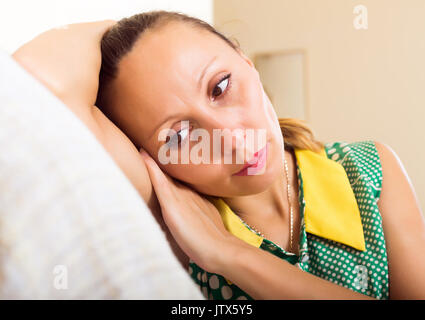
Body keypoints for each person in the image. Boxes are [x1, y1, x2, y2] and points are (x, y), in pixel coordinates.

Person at [13, 11, 425, 300]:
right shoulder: (170, 218)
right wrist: (114, 30)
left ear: (245, 59)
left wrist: (230, 255)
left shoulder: (369, 169)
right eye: (179, 135)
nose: (231, 138)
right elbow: (34, 87)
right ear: (152, 160)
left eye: (221, 86)